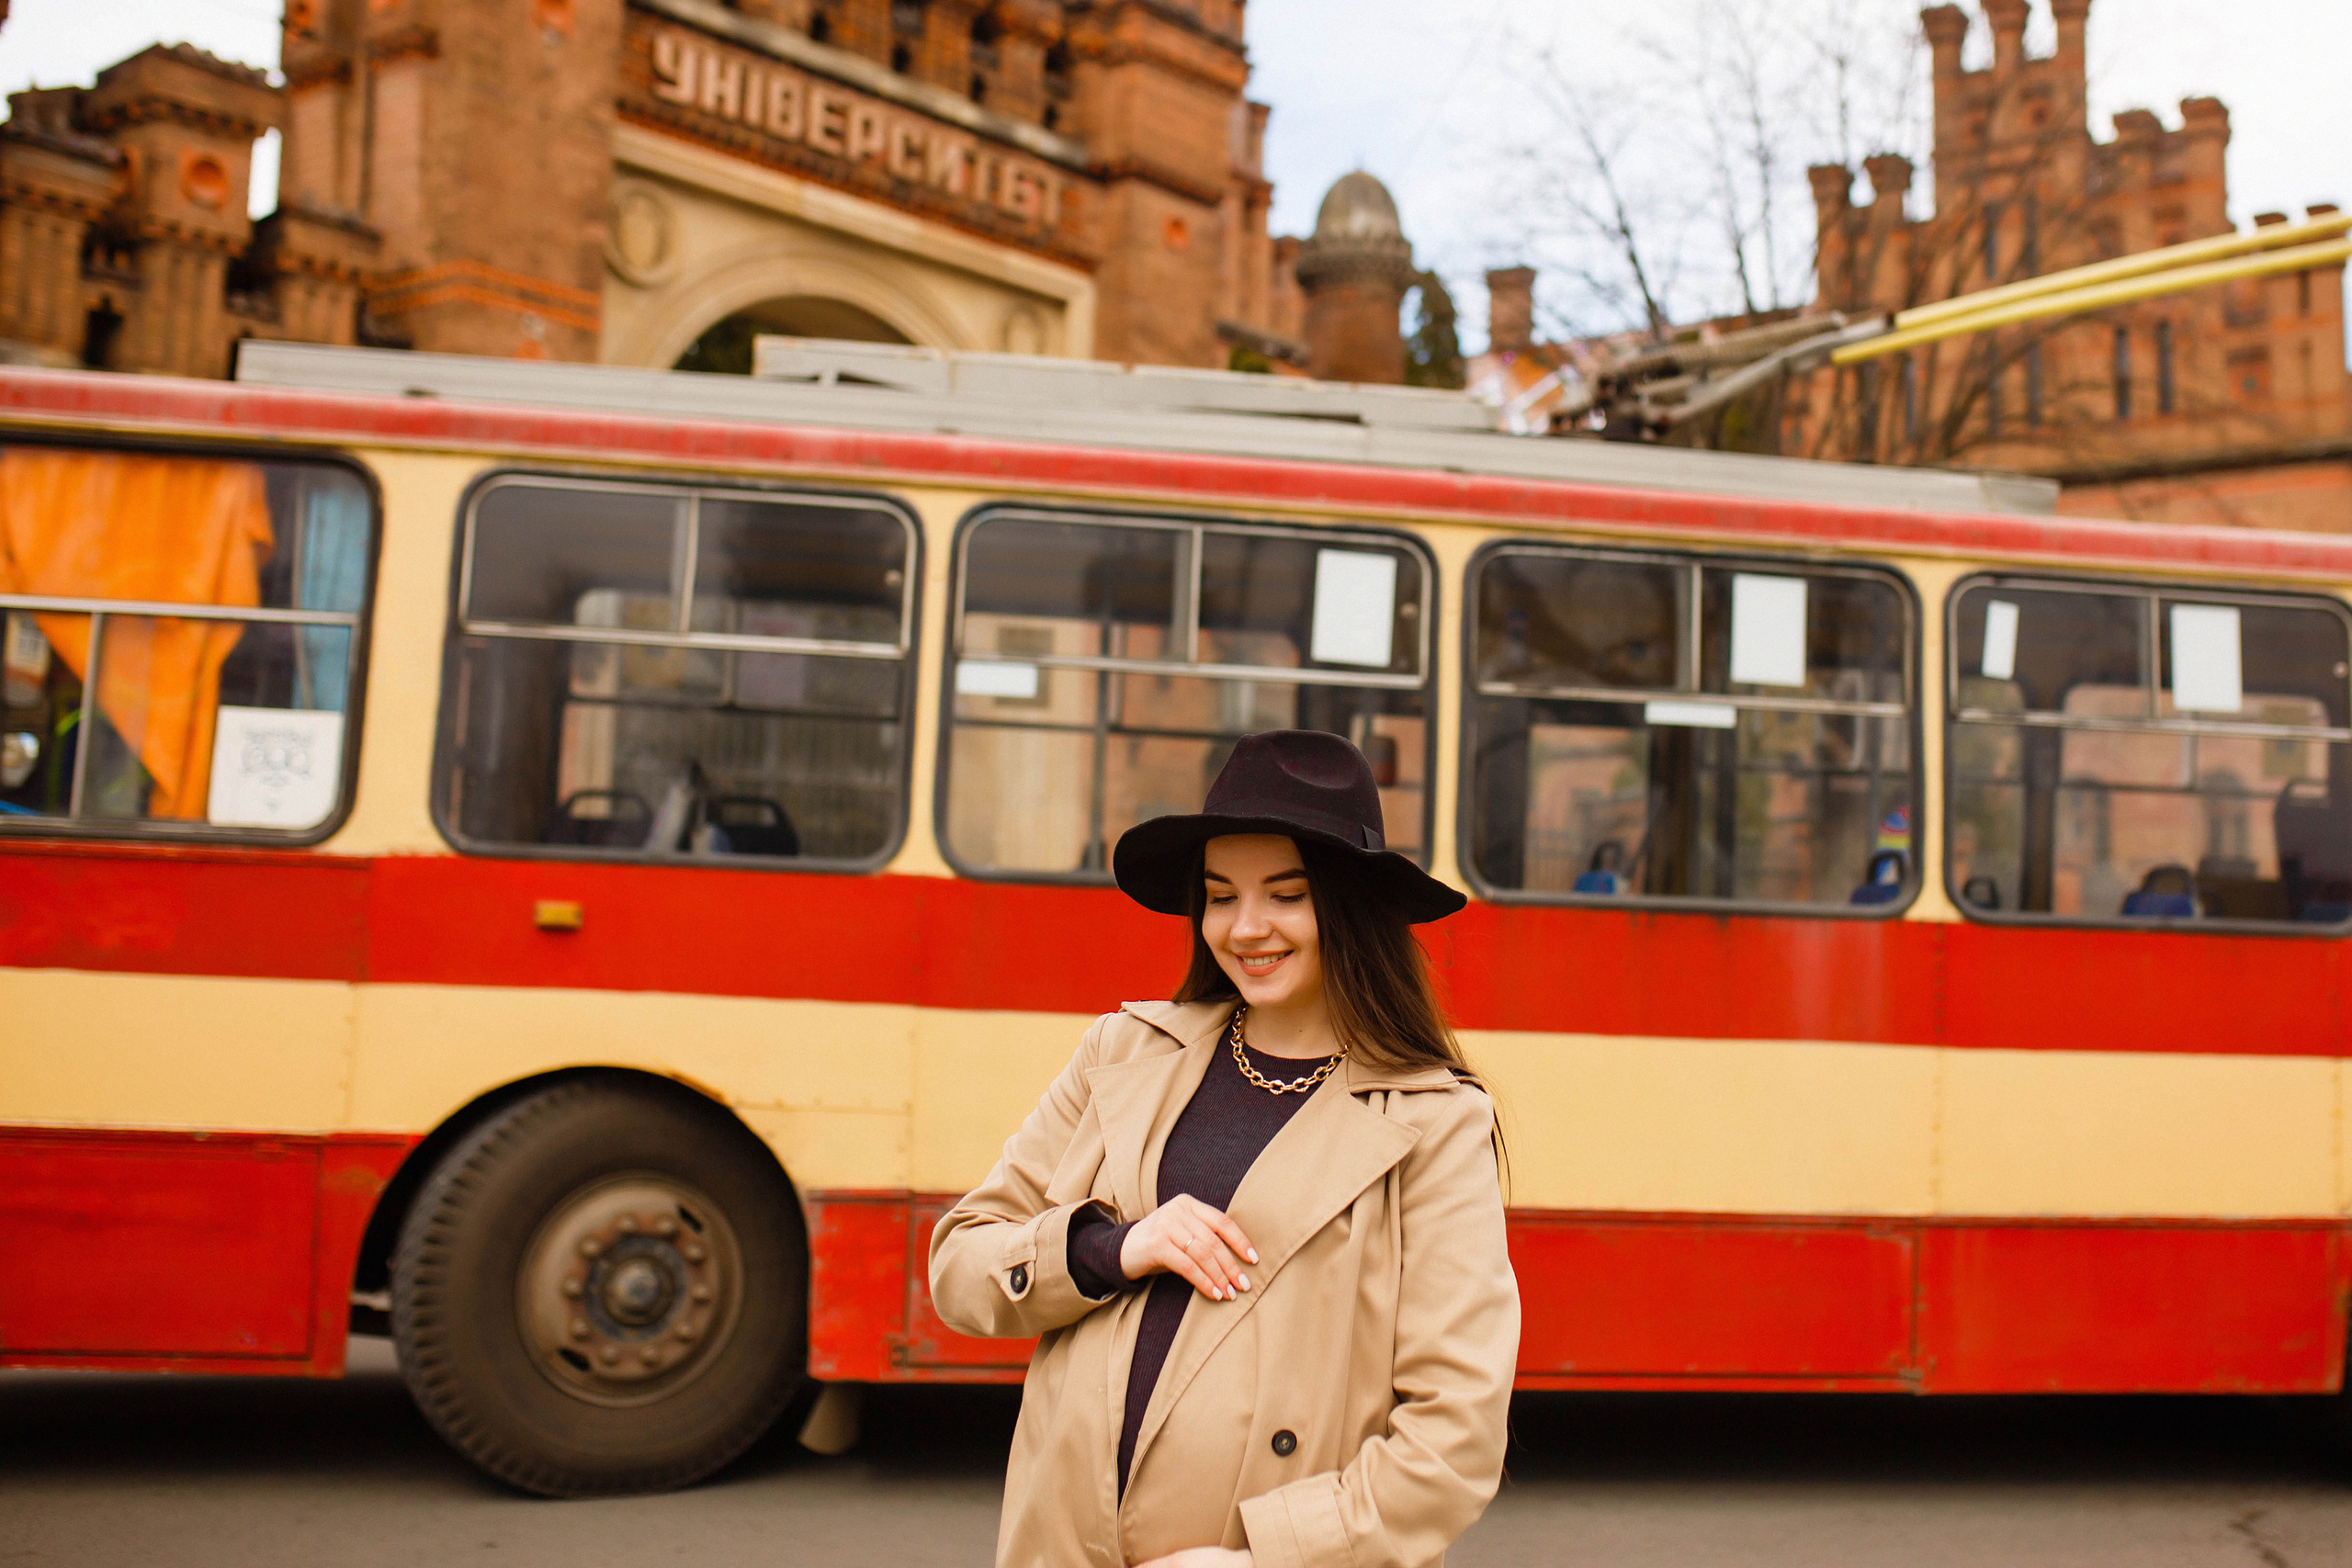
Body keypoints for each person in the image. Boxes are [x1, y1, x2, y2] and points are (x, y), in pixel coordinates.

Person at [930, 728, 1520, 1568]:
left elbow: (1454, 1434)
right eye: (1219, 895)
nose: (1246, 928)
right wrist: (1112, 1246)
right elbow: (960, 1265)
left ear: (1347, 903)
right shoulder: (1121, 1054)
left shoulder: (1433, 1121)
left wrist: (1263, 1561)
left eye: (1285, 895)